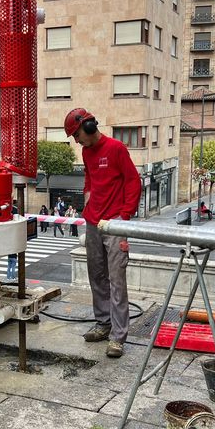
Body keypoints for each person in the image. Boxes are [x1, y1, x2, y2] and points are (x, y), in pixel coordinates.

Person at [64, 107, 141, 358]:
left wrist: (125, 216)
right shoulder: (87, 152)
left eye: (77, 135)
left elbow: (133, 181)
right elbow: (89, 179)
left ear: (88, 127)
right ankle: (103, 323)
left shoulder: (116, 149)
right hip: (93, 221)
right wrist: (87, 202)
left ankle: (118, 337)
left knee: (117, 280)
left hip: (115, 222)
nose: (77, 141)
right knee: (96, 275)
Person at [6, 200, 18, 281]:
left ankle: (8, 277)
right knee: (13, 267)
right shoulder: (15, 209)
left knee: (9, 267)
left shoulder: (10, 246)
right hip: (13, 257)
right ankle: (13, 277)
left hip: (9, 257)